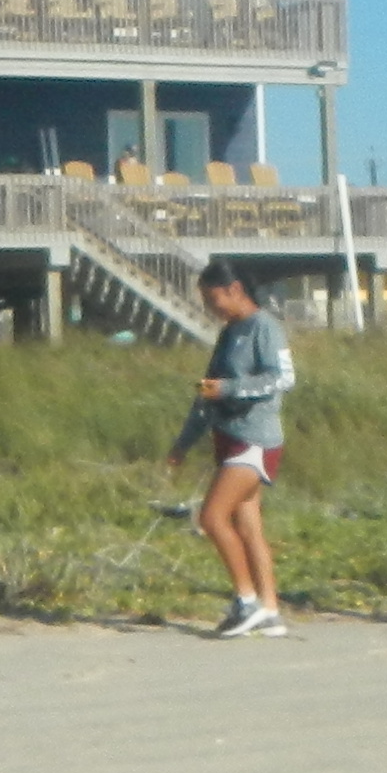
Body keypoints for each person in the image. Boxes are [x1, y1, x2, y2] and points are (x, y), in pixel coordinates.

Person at [166, 259, 293, 637]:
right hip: (227, 436)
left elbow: (282, 378)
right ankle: (269, 611)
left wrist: (231, 389)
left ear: (235, 290)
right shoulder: (229, 332)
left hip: (256, 438)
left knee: (211, 518)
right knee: (248, 525)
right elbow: (208, 389)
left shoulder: (265, 327)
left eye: (213, 298)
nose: (210, 307)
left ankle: (246, 600)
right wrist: (183, 443)